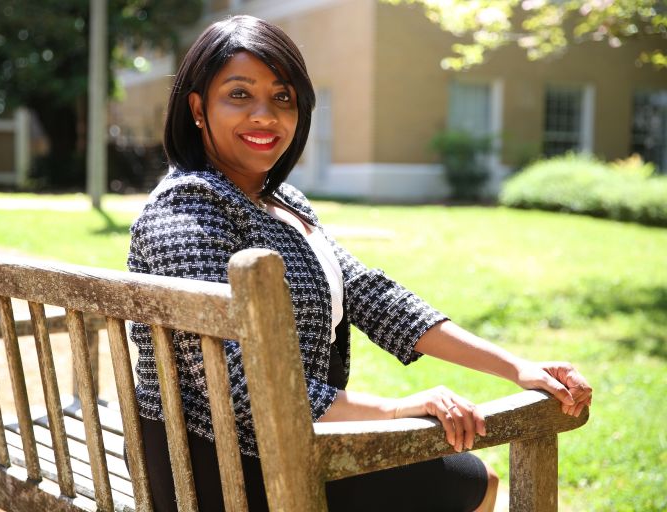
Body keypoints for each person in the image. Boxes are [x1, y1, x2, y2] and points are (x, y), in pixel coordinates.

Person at [127, 15, 592, 512]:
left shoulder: (283, 203)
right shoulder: (187, 211)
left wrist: (517, 367)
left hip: (270, 448)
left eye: (283, 97)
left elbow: (373, 296)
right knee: (475, 482)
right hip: (223, 470)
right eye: (239, 94)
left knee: (473, 475)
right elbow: (242, 388)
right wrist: (396, 410)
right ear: (198, 108)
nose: (266, 115)